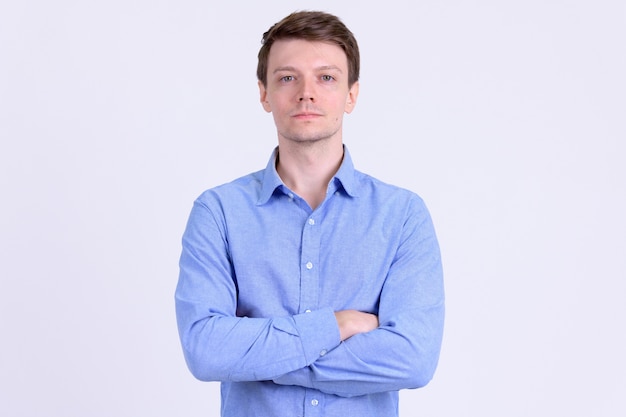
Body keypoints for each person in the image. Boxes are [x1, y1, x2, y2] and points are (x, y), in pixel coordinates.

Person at [175, 10, 445, 417]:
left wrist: (261, 358)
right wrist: (336, 326)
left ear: (352, 94)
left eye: (327, 77)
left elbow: (413, 357)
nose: (306, 93)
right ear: (264, 94)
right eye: (287, 77)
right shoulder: (219, 213)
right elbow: (207, 350)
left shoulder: (402, 215)